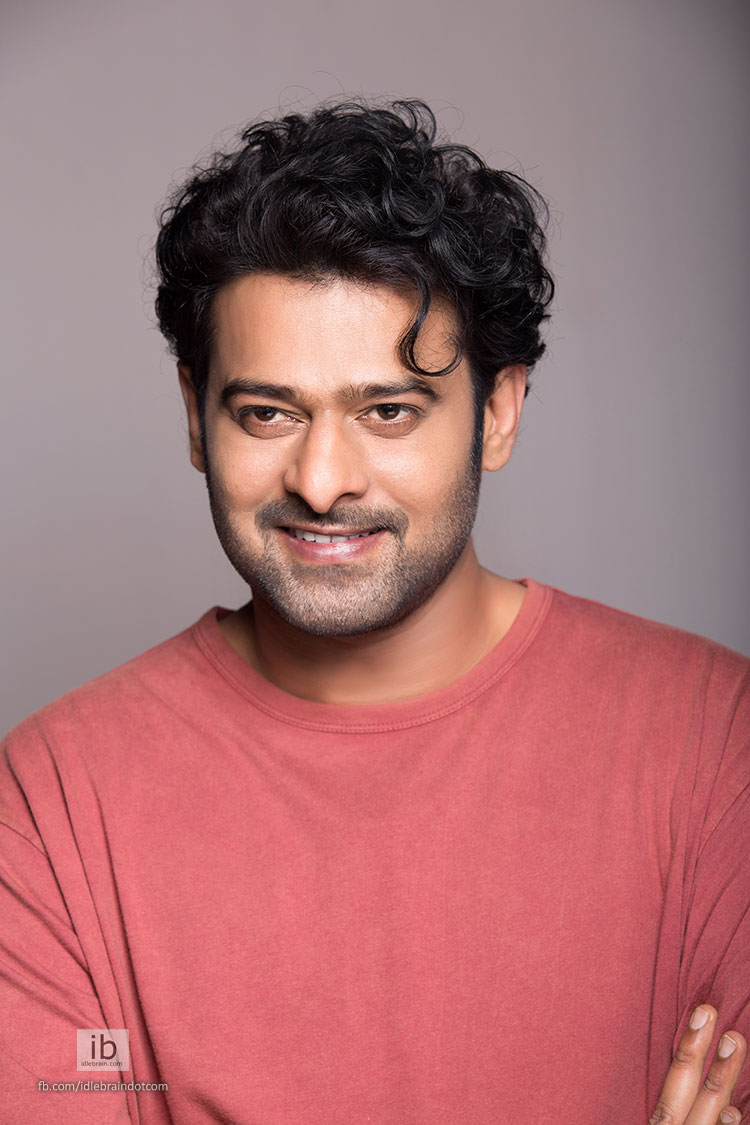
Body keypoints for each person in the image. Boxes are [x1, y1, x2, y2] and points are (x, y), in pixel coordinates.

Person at [0, 99, 747, 1125]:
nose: (320, 480)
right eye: (268, 412)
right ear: (195, 417)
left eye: (387, 411)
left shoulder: (713, 741)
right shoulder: (52, 802)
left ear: (498, 413)